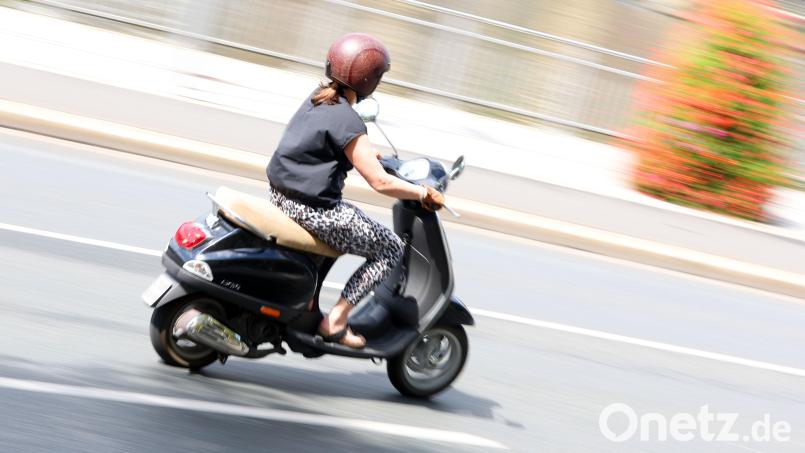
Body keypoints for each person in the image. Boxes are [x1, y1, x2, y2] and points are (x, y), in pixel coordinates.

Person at [266, 33, 444, 349]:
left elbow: (317, 143)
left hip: (282, 197)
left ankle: (309, 303)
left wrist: (363, 153)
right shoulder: (349, 121)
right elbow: (380, 182)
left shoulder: (318, 98)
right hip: (314, 211)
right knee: (390, 247)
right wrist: (423, 194)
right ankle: (335, 321)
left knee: (352, 224)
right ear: (368, 79)